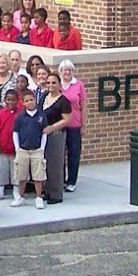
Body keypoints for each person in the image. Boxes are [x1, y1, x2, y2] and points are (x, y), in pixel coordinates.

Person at [38, 73, 72, 204]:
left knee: (55, 164)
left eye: (54, 83)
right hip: (43, 135)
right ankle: (47, 191)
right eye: (48, 83)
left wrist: (52, 128)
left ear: (59, 84)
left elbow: (67, 119)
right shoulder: (44, 97)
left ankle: (56, 194)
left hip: (56, 135)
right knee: (45, 163)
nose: (51, 85)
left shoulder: (63, 101)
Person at [12, 91, 46, 208]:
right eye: (26, 101)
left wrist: (42, 148)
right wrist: (17, 148)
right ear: (23, 103)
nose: (29, 102)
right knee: (21, 175)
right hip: (23, 150)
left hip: (37, 150)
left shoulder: (41, 116)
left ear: (35, 100)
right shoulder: (20, 117)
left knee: (38, 175)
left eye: (31, 100)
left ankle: (38, 197)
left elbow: (44, 133)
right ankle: (21, 197)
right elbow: (15, 133)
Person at [57, 59, 85, 191]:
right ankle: (60, 179)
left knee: (73, 153)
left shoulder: (78, 85)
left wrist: (83, 125)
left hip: (74, 124)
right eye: (64, 70)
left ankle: (71, 181)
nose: (67, 72)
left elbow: (83, 106)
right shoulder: (57, 85)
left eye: (69, 70)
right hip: (60, 124)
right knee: (59, 153)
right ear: (60, 72)